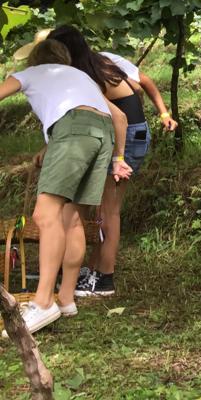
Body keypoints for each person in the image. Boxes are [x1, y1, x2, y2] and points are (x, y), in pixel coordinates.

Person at [0, 39, 131, 337]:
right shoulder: (80, 77)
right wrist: (118, 159)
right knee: (71, 219)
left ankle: (44, 301)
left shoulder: (30, 74)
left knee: (45, 216)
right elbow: (118, 117)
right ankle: (67, 298)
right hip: (102, 133)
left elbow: (71, 122)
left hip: (73, 131)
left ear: (35, 59)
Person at [43, 25, 158, 299]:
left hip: (125, 136)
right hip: (129, 133)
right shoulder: (96, 63)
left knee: (109, 210)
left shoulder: (85, 75)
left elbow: (117, 117)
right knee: (101, 210)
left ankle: (105, 279)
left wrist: (118, 157)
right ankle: (93, 269)